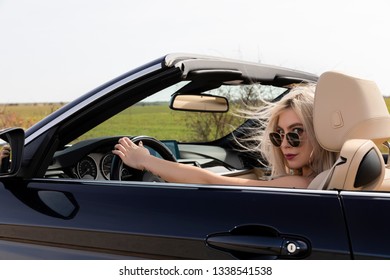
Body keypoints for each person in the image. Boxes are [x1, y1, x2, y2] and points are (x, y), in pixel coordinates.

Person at [113, 85, 338, 189]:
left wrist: (144, 159)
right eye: (279, 135)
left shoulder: (298, 184)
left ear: (319, 134)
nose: (285, 144)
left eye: (296, 133)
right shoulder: (324, 178)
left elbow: (212, 181)